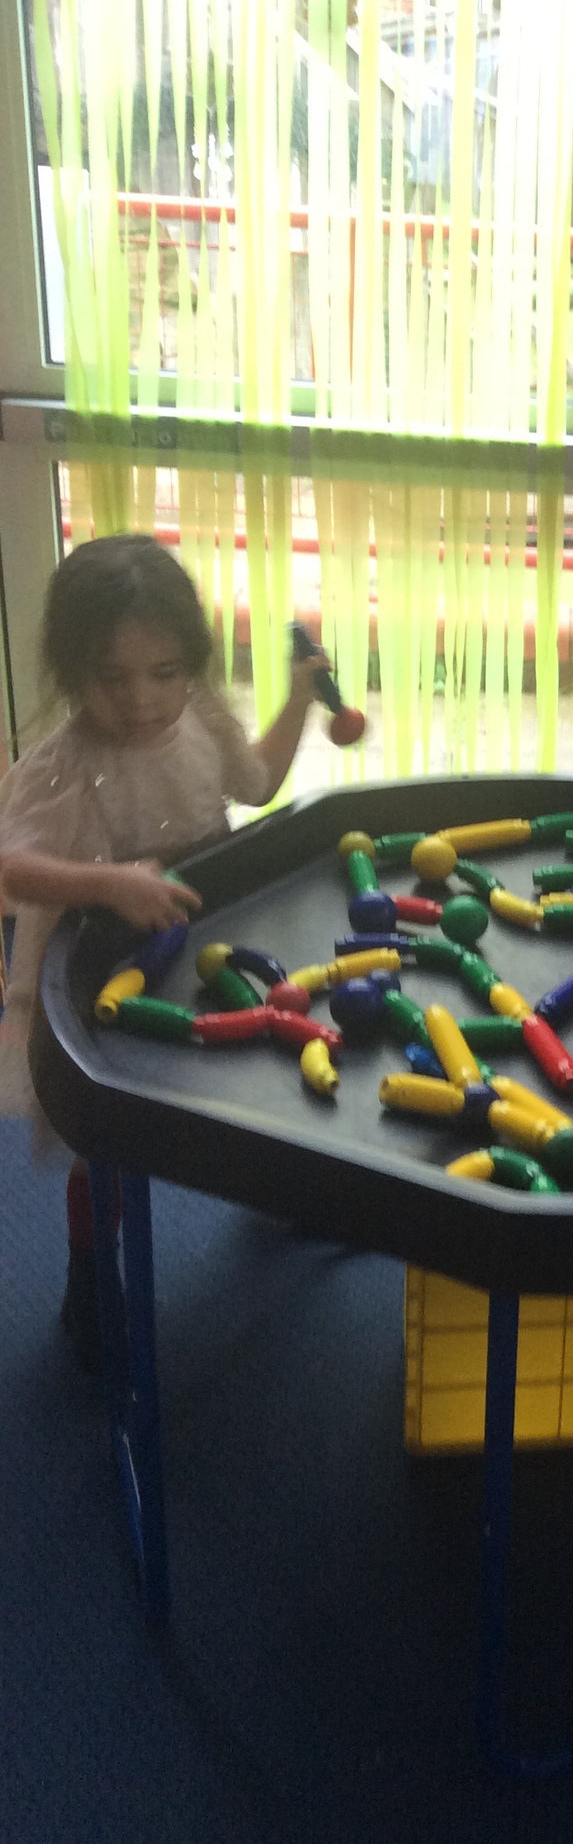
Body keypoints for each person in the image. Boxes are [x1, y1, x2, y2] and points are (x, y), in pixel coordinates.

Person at [0, 533, 330, 1364]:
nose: (143, 701)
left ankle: (282, 1193)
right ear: (72, 669)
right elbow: (9, 865)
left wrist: (300, 697)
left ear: (193, 663)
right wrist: (107, 882)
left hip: (200, 948)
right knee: (107, 1140)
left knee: (248, 1075)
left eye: (165, 672)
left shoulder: (203, 721)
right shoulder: (63, 766)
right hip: (96, 978)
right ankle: (89, 1276)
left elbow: (258, 782)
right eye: (112, 678)